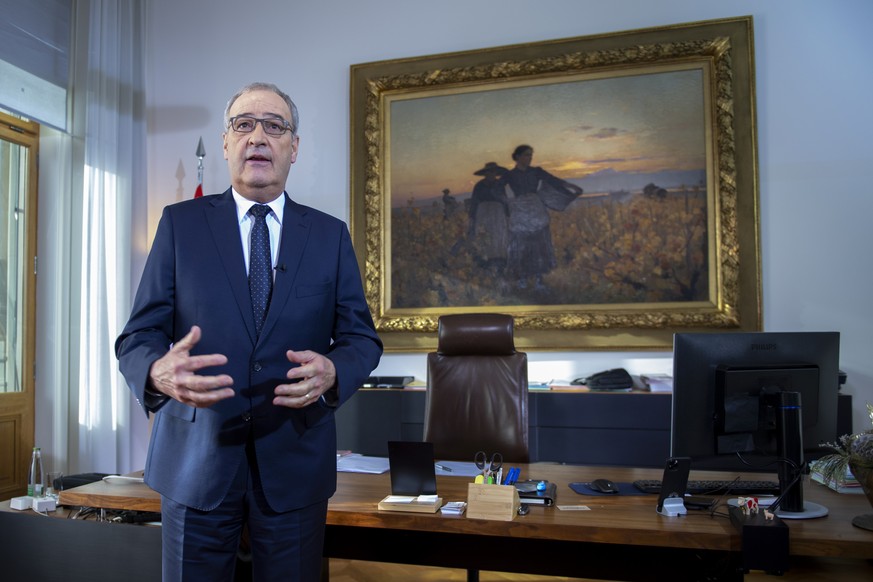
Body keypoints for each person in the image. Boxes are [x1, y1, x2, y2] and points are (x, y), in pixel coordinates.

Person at [115, 82, 383, 582]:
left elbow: (361, 338)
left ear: (293, 147)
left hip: (294, 463)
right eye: (244, 124)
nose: (257, 136)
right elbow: (138, 335)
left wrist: (333, 370)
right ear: (226, 143)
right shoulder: (180, 225)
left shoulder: (328, 236)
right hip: (195, 463)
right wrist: (157, 371)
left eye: (274, 126)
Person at [503, 144, 583, 290]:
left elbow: (553, 180)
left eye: (531, 155)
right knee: (522, 245)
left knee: (539, 244)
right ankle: (522, 279)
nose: (529, 158)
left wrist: (571, 186)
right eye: (527, 155)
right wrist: (507, 201)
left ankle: (539, 280)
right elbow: (497, 189)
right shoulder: (509, 175)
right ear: (518, 157)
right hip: (520, 210)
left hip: (535, 209)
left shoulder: (536, 171)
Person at [467, 162, 510, 273]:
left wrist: (508, 215)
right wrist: (472, 217)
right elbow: (474, 203)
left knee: (498, 238)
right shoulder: (479, 186)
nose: (491, 174)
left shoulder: (499, 185)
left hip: (497, 214)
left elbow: (504, 201)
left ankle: (499, 266)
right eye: (489, 172)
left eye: (494, 172)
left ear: (496, 173)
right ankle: (485, 266)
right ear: (485, 173)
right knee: (484, 237)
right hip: (483, 214)